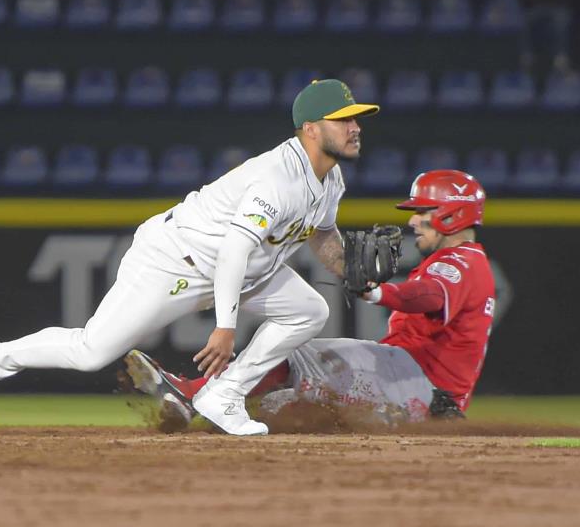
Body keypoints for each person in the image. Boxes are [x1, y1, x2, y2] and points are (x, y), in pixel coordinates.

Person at [0, 79, 380, 436]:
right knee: (91, 351)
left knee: (308, 310)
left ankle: (224, 394)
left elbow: (321, 235)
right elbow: (234, 249)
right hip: (176, 260)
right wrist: (225, 328)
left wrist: (352, 272)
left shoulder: (330, 178)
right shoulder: (276, 179)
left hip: (246, 273)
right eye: (344, 120)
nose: (355, 126)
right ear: (311, 129)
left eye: (356, 118)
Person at [125, 169, 496, 429]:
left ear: (453, 213)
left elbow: (427, 296)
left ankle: (190, 397)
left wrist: (381, 291)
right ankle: (237, 410)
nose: (414, 221)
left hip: (413, 379)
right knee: (284, 404)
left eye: (423, 211)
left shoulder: (460, 262)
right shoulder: (466, 263)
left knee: (291, 349)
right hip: (416, 391)